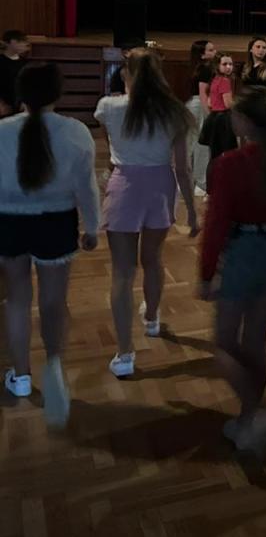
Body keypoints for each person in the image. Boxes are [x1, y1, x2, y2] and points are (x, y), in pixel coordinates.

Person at [198, 86, 266, 456]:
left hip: (243, 253)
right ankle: (248, 421)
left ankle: (255, 414)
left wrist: (206, 272)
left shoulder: (228, 165)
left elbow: (216, 224)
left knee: (224, 344)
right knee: (255, 341)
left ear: (243, 121)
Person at [0, 63, 99, 427]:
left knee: (17, 299)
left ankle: (21, 375)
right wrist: (92, 227)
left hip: (8, 222)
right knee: (54, 303)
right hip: (57, 222)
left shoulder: (1, 131)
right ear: (59, 94)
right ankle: (54, 365)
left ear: (20, 95)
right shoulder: (75, 132)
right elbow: (86, 187)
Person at [94, 51, 198, 378]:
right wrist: (193, 211)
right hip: (160, 187)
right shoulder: (174, 111)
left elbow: (109, 146)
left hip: (124, 185)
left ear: (127, 73)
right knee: (153, 259)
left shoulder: (108, 106)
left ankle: (125, 353)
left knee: (122, 273)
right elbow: (182, 168)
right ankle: (151, 319)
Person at [186, 39, 216, 197]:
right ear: (202, 55)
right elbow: (203, 92)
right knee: (202, 143)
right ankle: (201, 182)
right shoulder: (205, 69)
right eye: (210, 50)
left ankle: (190, 180)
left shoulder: (196, 68)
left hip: (192, 104)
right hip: (200, 104)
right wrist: (208, 113)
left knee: (191, 142)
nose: (215, 52)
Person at [199, 53, 239, 170]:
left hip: (214, 118)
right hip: (223, 119)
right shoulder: (225, 81)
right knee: (228, 154)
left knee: (215, 155)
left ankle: (213, 178)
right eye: (225, 64)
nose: (228, 67)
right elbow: (228, 104)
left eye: (230, 64)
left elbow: (210, 103)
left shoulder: (214, 80)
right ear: (217, 65)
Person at [0, 28, 32, 117]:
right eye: (19, 41)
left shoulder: (25, 63)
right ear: (9, 42)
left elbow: (27, 85)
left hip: (19, 107)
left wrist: (25, 101)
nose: (24, 45)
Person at [241, 36, 266, 100]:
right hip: (247, 102)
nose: (261, 50)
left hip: (264, 103)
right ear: (251, 49)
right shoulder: (244, 66)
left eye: (264, 48)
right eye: (258, 47)